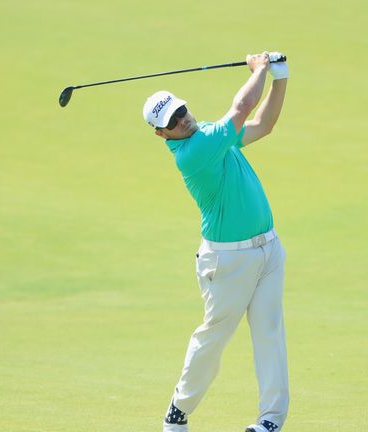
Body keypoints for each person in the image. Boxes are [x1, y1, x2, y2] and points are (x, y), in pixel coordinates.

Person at [141, 51, 290, 432]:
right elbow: (242, 106)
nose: (181, 118)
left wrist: (280, 76)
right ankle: (179, 410)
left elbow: (263, 124)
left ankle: (270, 420)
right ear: (162, 134)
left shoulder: (208, 132)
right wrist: (259, 69)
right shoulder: (193, 152)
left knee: (270, 332)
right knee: (214, 336)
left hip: (268, 250)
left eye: (181, 110)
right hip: (228, 262)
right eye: (171, 120)